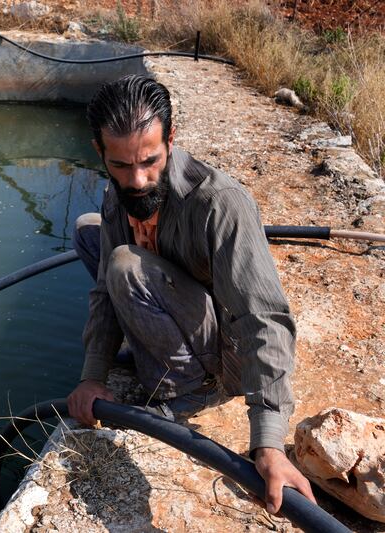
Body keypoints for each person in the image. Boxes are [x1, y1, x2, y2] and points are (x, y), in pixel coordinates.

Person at [66, 76, 316, 515]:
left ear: (171, 139)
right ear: (100, 152)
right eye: (121, 166)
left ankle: (186, 392)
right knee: (89, 230)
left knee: (126, 263)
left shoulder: (220, 203)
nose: (137, 179)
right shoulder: (117, 191)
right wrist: (93, 374)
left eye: (149, 161)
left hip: (222, 361)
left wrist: (269, 441)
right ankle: (152, 345)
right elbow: (104, 290)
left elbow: (265, 319)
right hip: (176, 306)